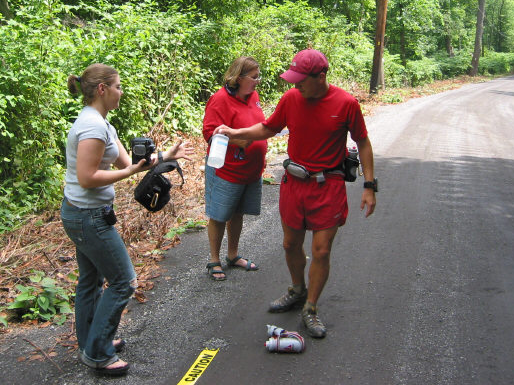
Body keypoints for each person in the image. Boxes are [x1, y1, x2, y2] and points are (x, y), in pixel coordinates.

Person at [214, 49, 376, 338]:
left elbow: (362, 142)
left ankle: (310, 308)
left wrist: (369, 185)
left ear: (321, 76)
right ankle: (297, 289)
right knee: (290, 244)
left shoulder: (346, 103)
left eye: (301, 80)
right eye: (294, 79)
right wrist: (233, 133)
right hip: (294, 183)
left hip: (328, 185)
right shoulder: (291, 99)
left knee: (321, 250)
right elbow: (268, 127)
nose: (296, 85)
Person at [61, 63, 191, 376]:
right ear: (102, 89)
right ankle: (97, 353)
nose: (121, 91)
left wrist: (167, 156)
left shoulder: (102, 124)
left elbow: (134, 162)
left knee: (91, 281)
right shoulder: (92, 127)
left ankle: (91, 341)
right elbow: (88, 177)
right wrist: (130, 173)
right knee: (124, 281)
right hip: (88, 217)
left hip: (82, 214)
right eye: (118, 86)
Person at [202, 57, 268, 280]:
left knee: (238, 212)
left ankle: (232, 255)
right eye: (254, 77)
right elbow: (209, 133)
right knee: (219, 215)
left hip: (250, 170)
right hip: (227, 170)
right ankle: (214, 259)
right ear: (239, 78)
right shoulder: (219, 99)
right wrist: (237, 141)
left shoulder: (253, 96)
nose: (258, 81)